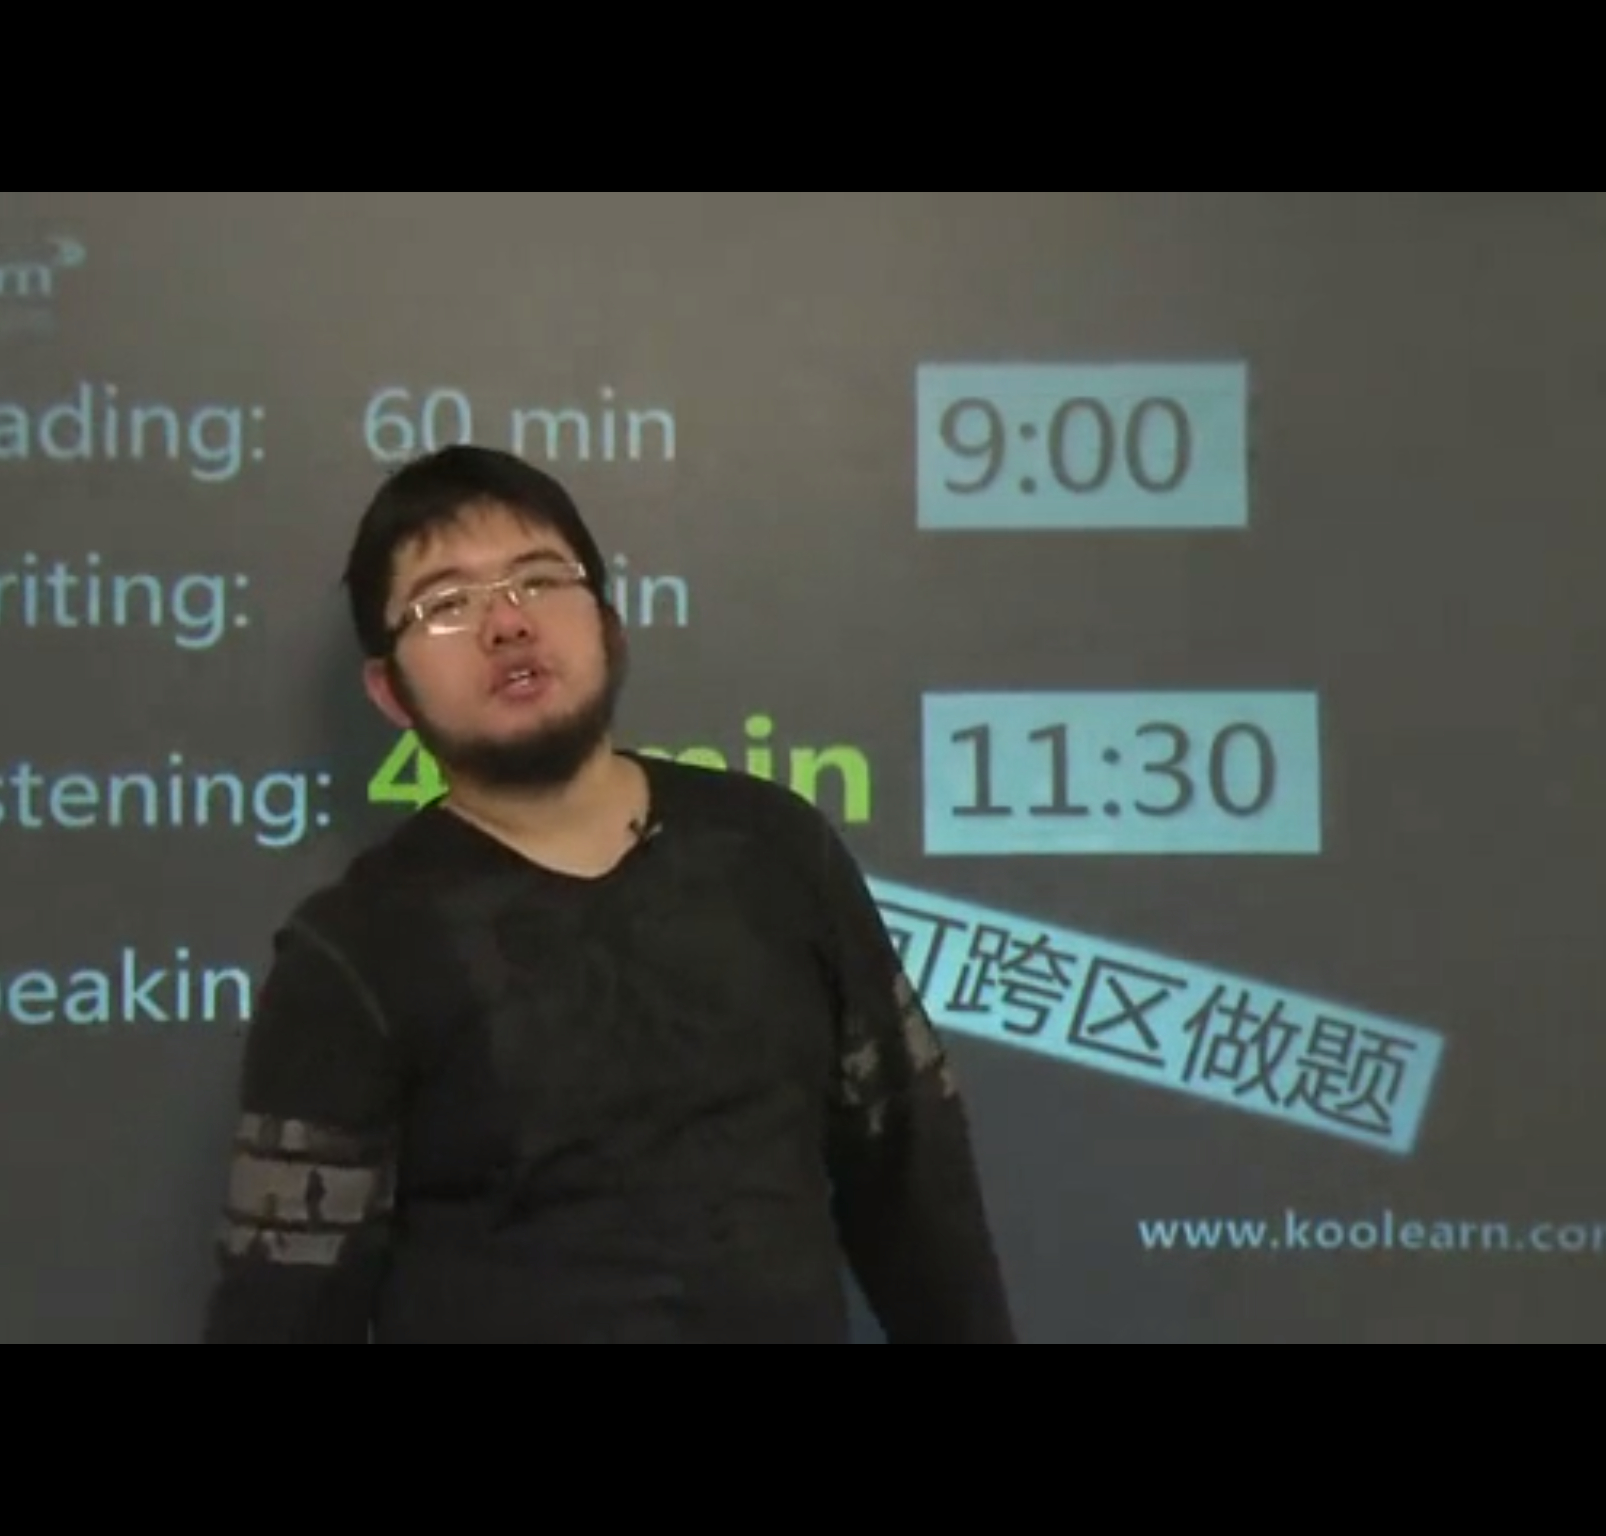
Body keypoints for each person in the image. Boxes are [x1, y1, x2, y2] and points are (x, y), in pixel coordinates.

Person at [199, 446, 1018, 1345]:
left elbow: (913, 1175)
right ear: (390, 691)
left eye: (538, 579)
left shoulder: (775, 850)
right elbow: (282, 1311)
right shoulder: (354, 951)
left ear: (609, 624)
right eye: (446, 603)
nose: (507, 623)